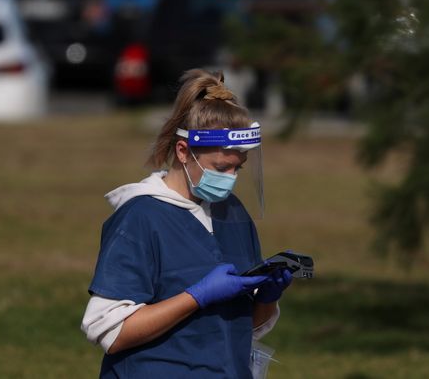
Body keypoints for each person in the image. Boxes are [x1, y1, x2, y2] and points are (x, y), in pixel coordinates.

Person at [81, 69, 291, 378]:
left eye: (238, 169)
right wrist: (196, 297)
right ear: (183, 152)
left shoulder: (232, 213)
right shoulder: (140, 216)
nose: (230, 180)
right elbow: (111, 332)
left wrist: (267, 298)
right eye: (221, 168)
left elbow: (246, 328)